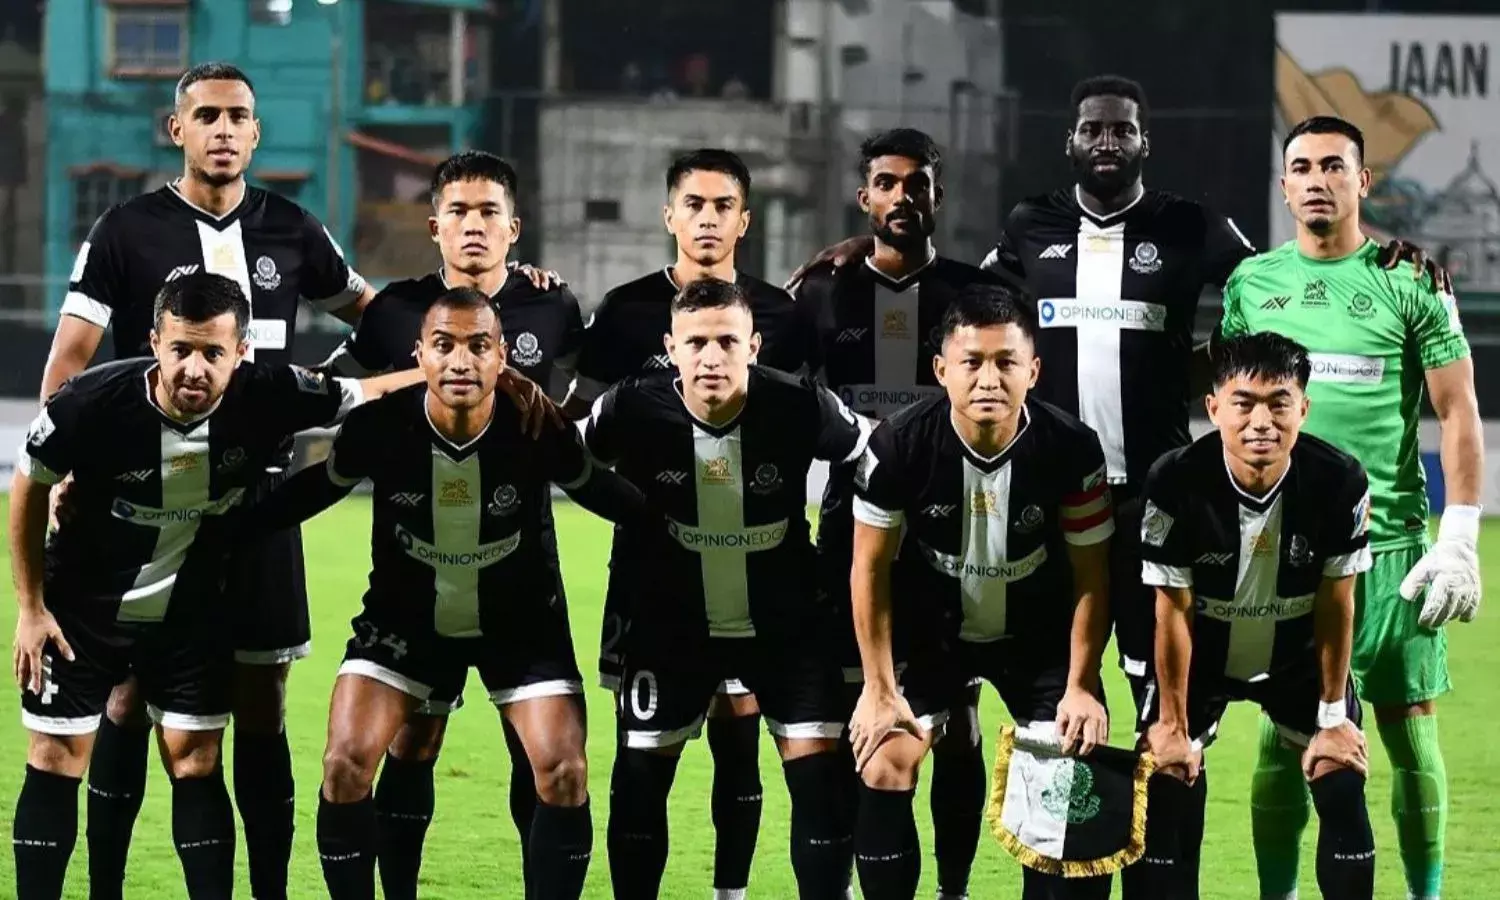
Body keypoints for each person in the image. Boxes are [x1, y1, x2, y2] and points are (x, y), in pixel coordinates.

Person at [786, 76, 1449, 900]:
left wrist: (1382, 249)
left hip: (1155, 502)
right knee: (1035, 701)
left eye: (1122, 130)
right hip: (1047, 494)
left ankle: (1135, 871)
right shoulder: (1030, 225)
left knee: (1150, 715)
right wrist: (870, 248)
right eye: (1092, 129)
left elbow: (1288, 275)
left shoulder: (1191, 225)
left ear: (1143, 142)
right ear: (1071, 141)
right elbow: (964, 296)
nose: (1107, 141)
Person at [37, 61, 375, 900]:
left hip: (258, 501)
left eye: (238, 117)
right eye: (208, 116)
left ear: (256, 132)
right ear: (177, 129)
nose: (223, 130)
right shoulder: (125, 231)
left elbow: (377, 317)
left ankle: (267, 891)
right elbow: (70, 359)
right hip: (143, 502)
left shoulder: (293, 228)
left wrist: (480, 297)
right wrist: (68, 466)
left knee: (260, 698)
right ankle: (107, 886)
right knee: (124, 697)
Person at [9, 272, 419, 900]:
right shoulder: (92, 402)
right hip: (83, 610)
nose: (194, 369)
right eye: (180, 349)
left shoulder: (268, 394)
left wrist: (461, 374)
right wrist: (31, 608)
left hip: (190, 611)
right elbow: (28, 483)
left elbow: (366, 391)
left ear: (241, 352)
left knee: (196, 757)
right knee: (57, 756)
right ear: (155, 343)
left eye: (212, 353)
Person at [243, 287, 648, 900]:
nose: (461, 360)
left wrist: (672, 527)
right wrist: (228, 529)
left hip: (520, 623)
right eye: (444, 345)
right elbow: (313, 491)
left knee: (563, 770)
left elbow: (605, 494)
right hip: (405, 620)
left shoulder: (537, 426)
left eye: (479, 346)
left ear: (502, 358)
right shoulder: (379, 426)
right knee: (344, 763)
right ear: (420, 355)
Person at [1219, 115, 1482, 900]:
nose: (1318, 180)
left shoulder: (1412, 280)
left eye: (1334, 166)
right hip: (1289, 550)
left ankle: (1426, 896)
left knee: (1409, 731)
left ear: (1363, 181)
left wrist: (1460, 536)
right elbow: (1233, 407)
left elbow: (1458, 409)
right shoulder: (1251, 284)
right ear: (1284, 186)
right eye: (1302, 167)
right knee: (1283, 738)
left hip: (1392, 547)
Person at [323, 150, 583, 899]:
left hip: (519, 570)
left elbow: (584, 404)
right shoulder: (392, 313)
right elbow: (335, 390)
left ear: (513, 228)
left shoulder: (553, 307)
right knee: (414, 740)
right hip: (415, 571)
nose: (474, 225)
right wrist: (429, 376)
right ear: (434, 226)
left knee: (539, 753)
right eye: (459, 212)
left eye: (489, 212)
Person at [561, 148, 815, 900]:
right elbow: (583, 432)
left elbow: (804, 423)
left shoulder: (783, 315)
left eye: (722, 205)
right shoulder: (625, 311)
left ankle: (730, 891)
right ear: (669, 215)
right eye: (693, 205)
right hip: (657, 576)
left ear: (745, 219)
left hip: (758, 570)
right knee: (645, 752)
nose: (707, 219)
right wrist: (638, 511)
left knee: (741, 734)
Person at [584, 277, 867, 900]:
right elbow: (571, 459)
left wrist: (845, 545)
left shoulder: (800, 403)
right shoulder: (631, 405)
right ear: (670, 348)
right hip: (672, 627)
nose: (711, 357)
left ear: (754, 346)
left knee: (821, 786)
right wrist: (629, 519)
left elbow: (876, 454)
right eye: (696, 343)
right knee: (638, 784)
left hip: (786, 626)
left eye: (727, 342)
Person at [790, 126, 1005, 900]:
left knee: (958, 719)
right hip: (847, 528)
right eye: (887, 183)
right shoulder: (822, 291)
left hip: (949, 535)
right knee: (860, 707)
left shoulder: (971, 296)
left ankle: (952, 887)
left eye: (918, 184)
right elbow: (789, 400)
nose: (903, 196)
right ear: (865, 197)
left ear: (938, 197)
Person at [847, 286, 1114, 900]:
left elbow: (1091, 578)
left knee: (1068, 776)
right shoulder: (897, 447)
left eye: (1005, 362)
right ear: (941, 370)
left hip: (1037, 641)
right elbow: (869, 569)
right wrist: (879, 688)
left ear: (1033, 371)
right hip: (932, 635)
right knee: (884, 759)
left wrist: (1080, 685)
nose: (988, 379)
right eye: (971, 362)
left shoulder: (1072, 448)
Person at [1133, 331, 1377, 900]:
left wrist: (1333, 715)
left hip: (1297, 658)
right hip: (1202, 658)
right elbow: (1173, 609)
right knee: (1163, 781)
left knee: (1342, 779)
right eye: (1243, 403)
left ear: (1304, 408)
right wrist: (1172, 725)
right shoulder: (1174, 479)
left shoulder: (1340, 480)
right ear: (1213, 406)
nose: (1261, 421)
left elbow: (1337, 601)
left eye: (1278, 403)